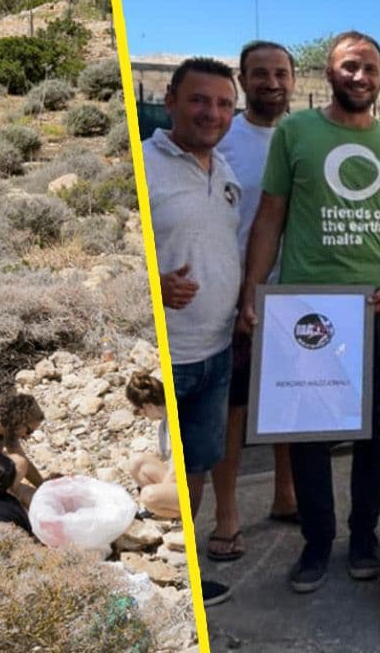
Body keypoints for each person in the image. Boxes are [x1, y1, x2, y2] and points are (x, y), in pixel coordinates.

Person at [241, 30, 380, 593]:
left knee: (375, 430)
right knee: (309, 433)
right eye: (349, 66)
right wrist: (253, 290)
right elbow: (270, 217)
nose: (360, 76)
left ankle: (364, 536)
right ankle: (317, 542)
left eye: (370, 67)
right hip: (307, 309)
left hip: (377, 308)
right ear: (328, 73)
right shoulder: (296, 132)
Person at [142, 55, 242, 596]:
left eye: (224, 104)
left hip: (217, 351)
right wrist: (156, 285)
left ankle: (187, 572)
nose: (213, 113)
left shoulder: (222, 169)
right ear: (170, 101)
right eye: (200, 100)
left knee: (197, 468)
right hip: (172, 357)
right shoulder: (146, 163)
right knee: (174, 469)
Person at [212, 40, 300, 537]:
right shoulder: (223, 136)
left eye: (281, 74)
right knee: (234, 408)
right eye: (260, 74)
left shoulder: (305, 136)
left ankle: (285, 496)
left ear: (293, 79)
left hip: (295, 294)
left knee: (288, 402)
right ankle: (226, 514)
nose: (272, 83)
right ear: (243, 81)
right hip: (232, 293)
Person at [121, 372, 181, 520]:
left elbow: (176, 470)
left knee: (148, 496)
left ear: (147, 405)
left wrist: (157, 491)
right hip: (177, 485)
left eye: (140, 410)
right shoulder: (164, 425)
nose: (142, 414)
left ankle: (172, 511)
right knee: (137, 461)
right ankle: (163, 506)